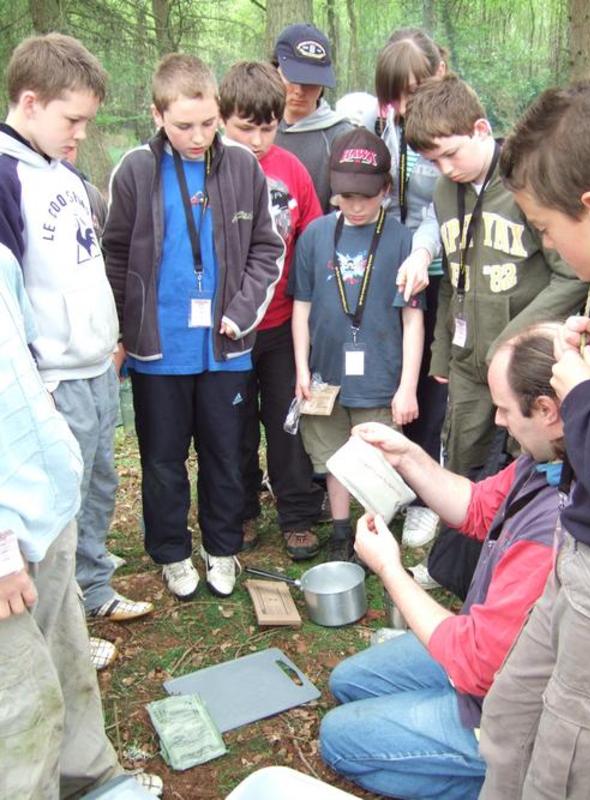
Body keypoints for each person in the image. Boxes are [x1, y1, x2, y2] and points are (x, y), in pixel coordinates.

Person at [319, 322, 566, 800]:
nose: (498, 421)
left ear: (546, 410)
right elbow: (478, 507)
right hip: (487, 658)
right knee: (349, 682)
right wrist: (408, 457)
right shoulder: (548, 457)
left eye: (504, 408)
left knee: (339, 739)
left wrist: (390, 570)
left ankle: (508, 777)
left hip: (510, 709)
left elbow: (475, 665)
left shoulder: (553, 532)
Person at [103, 54, 284, 600]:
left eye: (208, 122)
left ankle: (222, 548)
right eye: (184, 126)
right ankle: (172, 553)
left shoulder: (244, 167)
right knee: (162, 460)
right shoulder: (135, 170)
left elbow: (267, 250)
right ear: (158, 115)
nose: (199, 136)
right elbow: (114, 256)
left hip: (225, 347)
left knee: (226, 454)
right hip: (158, 349)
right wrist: (123, 332)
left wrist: (242, 312)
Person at [403, 73, 587, 587]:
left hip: (522, 366)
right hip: (467, 361)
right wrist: (442, 353)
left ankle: (521, 569)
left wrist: (513, 342)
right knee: (461, 457)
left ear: (481, 129)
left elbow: (569, 278)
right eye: (433, 161)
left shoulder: (526, 187)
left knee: (525, 467)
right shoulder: (446, 192)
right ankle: (453, 566)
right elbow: (452, 281)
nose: (445, 168)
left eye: (450, 153)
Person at [0, 242, 162, 798]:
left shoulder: (3, 261)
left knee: (67, 667)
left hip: (44, 507)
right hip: (6, 544)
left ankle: (90, 780)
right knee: (20, 709)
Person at [0, 33, 152, 622]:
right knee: (59, 499)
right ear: (30, 102)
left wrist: (113, 342)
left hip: (96, 366)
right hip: (52, 380)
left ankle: (93, 587)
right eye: (73, 119)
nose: (82, 133)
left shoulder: (65, 174)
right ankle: (62, 620)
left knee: (98, 483)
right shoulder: (7, 180)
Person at [478, 79, 590, 800]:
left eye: (547, 229)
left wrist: (582, 395)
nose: (546, 244)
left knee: (566, 759)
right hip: (575, 554)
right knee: (512, 715)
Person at [292, 127, 424, 560]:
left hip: (381, 375)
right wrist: (301, 369)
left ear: (386, 190)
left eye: (367, 196)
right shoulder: (315, 235)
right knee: (334, 457)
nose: (356, 206)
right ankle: (339, 532)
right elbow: (301, 307)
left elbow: (412, 318)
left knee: (375, 460)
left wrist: (407, 386)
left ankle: (372, 536)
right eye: (347, 196)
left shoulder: (402, 239)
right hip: (326, 376)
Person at [219, 61, 325, 560]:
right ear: (222, 119)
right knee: (234, 427)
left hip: (283, 325)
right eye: (246, 128)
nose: (258, 140)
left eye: (269, 128)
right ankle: (241, 510)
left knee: (287, 423)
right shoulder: (211, 171)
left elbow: (313, 239)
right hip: (229, 331)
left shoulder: (292, 170)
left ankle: (297, 514)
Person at [363, 28, 448, 551]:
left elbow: (440, 208)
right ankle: (386, 485)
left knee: (428, 388)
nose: (406, 105)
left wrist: (420, 253)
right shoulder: (383, 124)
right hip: (385, 266)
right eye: (396, 96)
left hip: (433, 268)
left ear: (440, 73)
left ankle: (426, 497)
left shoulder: (450, 128)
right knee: (390, 377)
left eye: (414, 92)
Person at [272, 22, 354, 212]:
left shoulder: (340, 137)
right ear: (275, 71)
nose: (300, 90)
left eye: (310, 81)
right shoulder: (256, 130)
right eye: (292, 78)